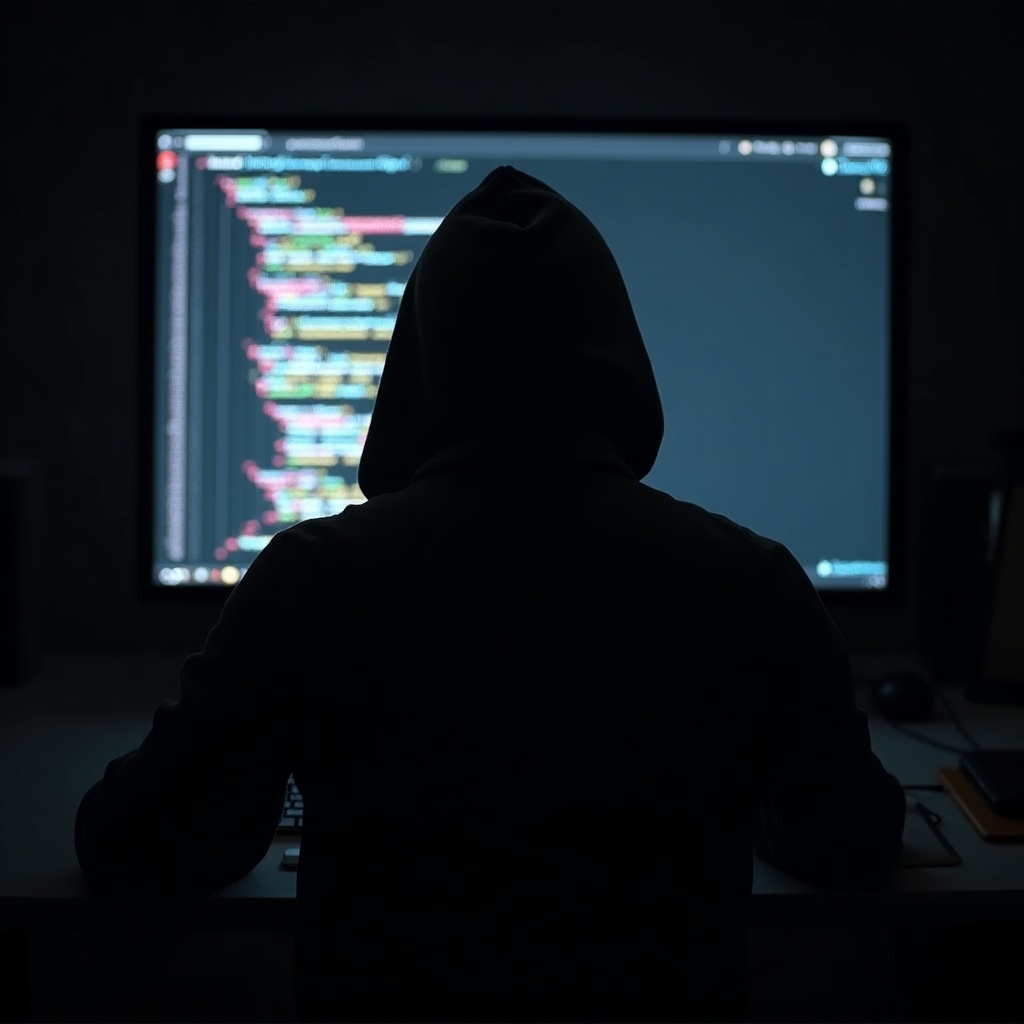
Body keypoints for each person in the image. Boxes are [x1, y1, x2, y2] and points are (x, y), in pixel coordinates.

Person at [75, 165, 905, 1022]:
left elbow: (141, 845)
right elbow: (853, 842)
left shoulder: (312, 577)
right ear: (619, 359)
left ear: (419, 365)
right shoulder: (750, 580)